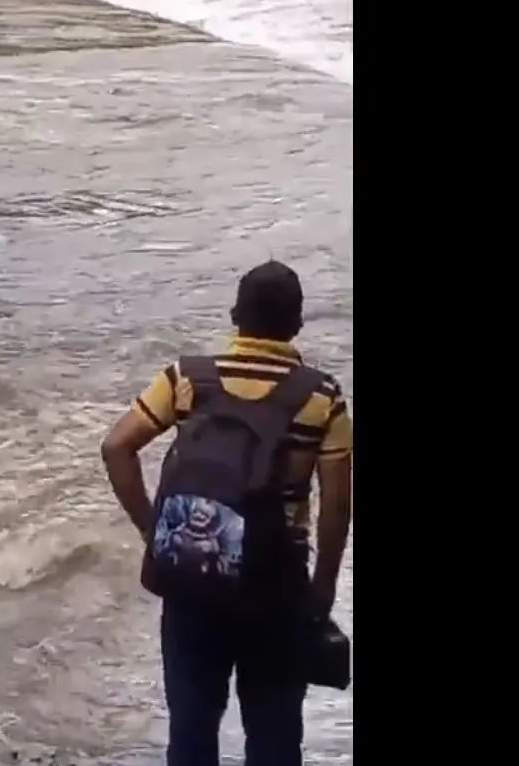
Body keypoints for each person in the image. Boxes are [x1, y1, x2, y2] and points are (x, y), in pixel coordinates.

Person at [99, 261, 352, 766]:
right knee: (275, 736)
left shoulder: (185, 378)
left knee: (191, 729)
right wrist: (322, 589)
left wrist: (155, 533)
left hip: (195, 575)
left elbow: (116, 447)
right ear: (297, 323)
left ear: (236, 316)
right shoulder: (322, 398)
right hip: (276, 587)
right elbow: (337, 506)